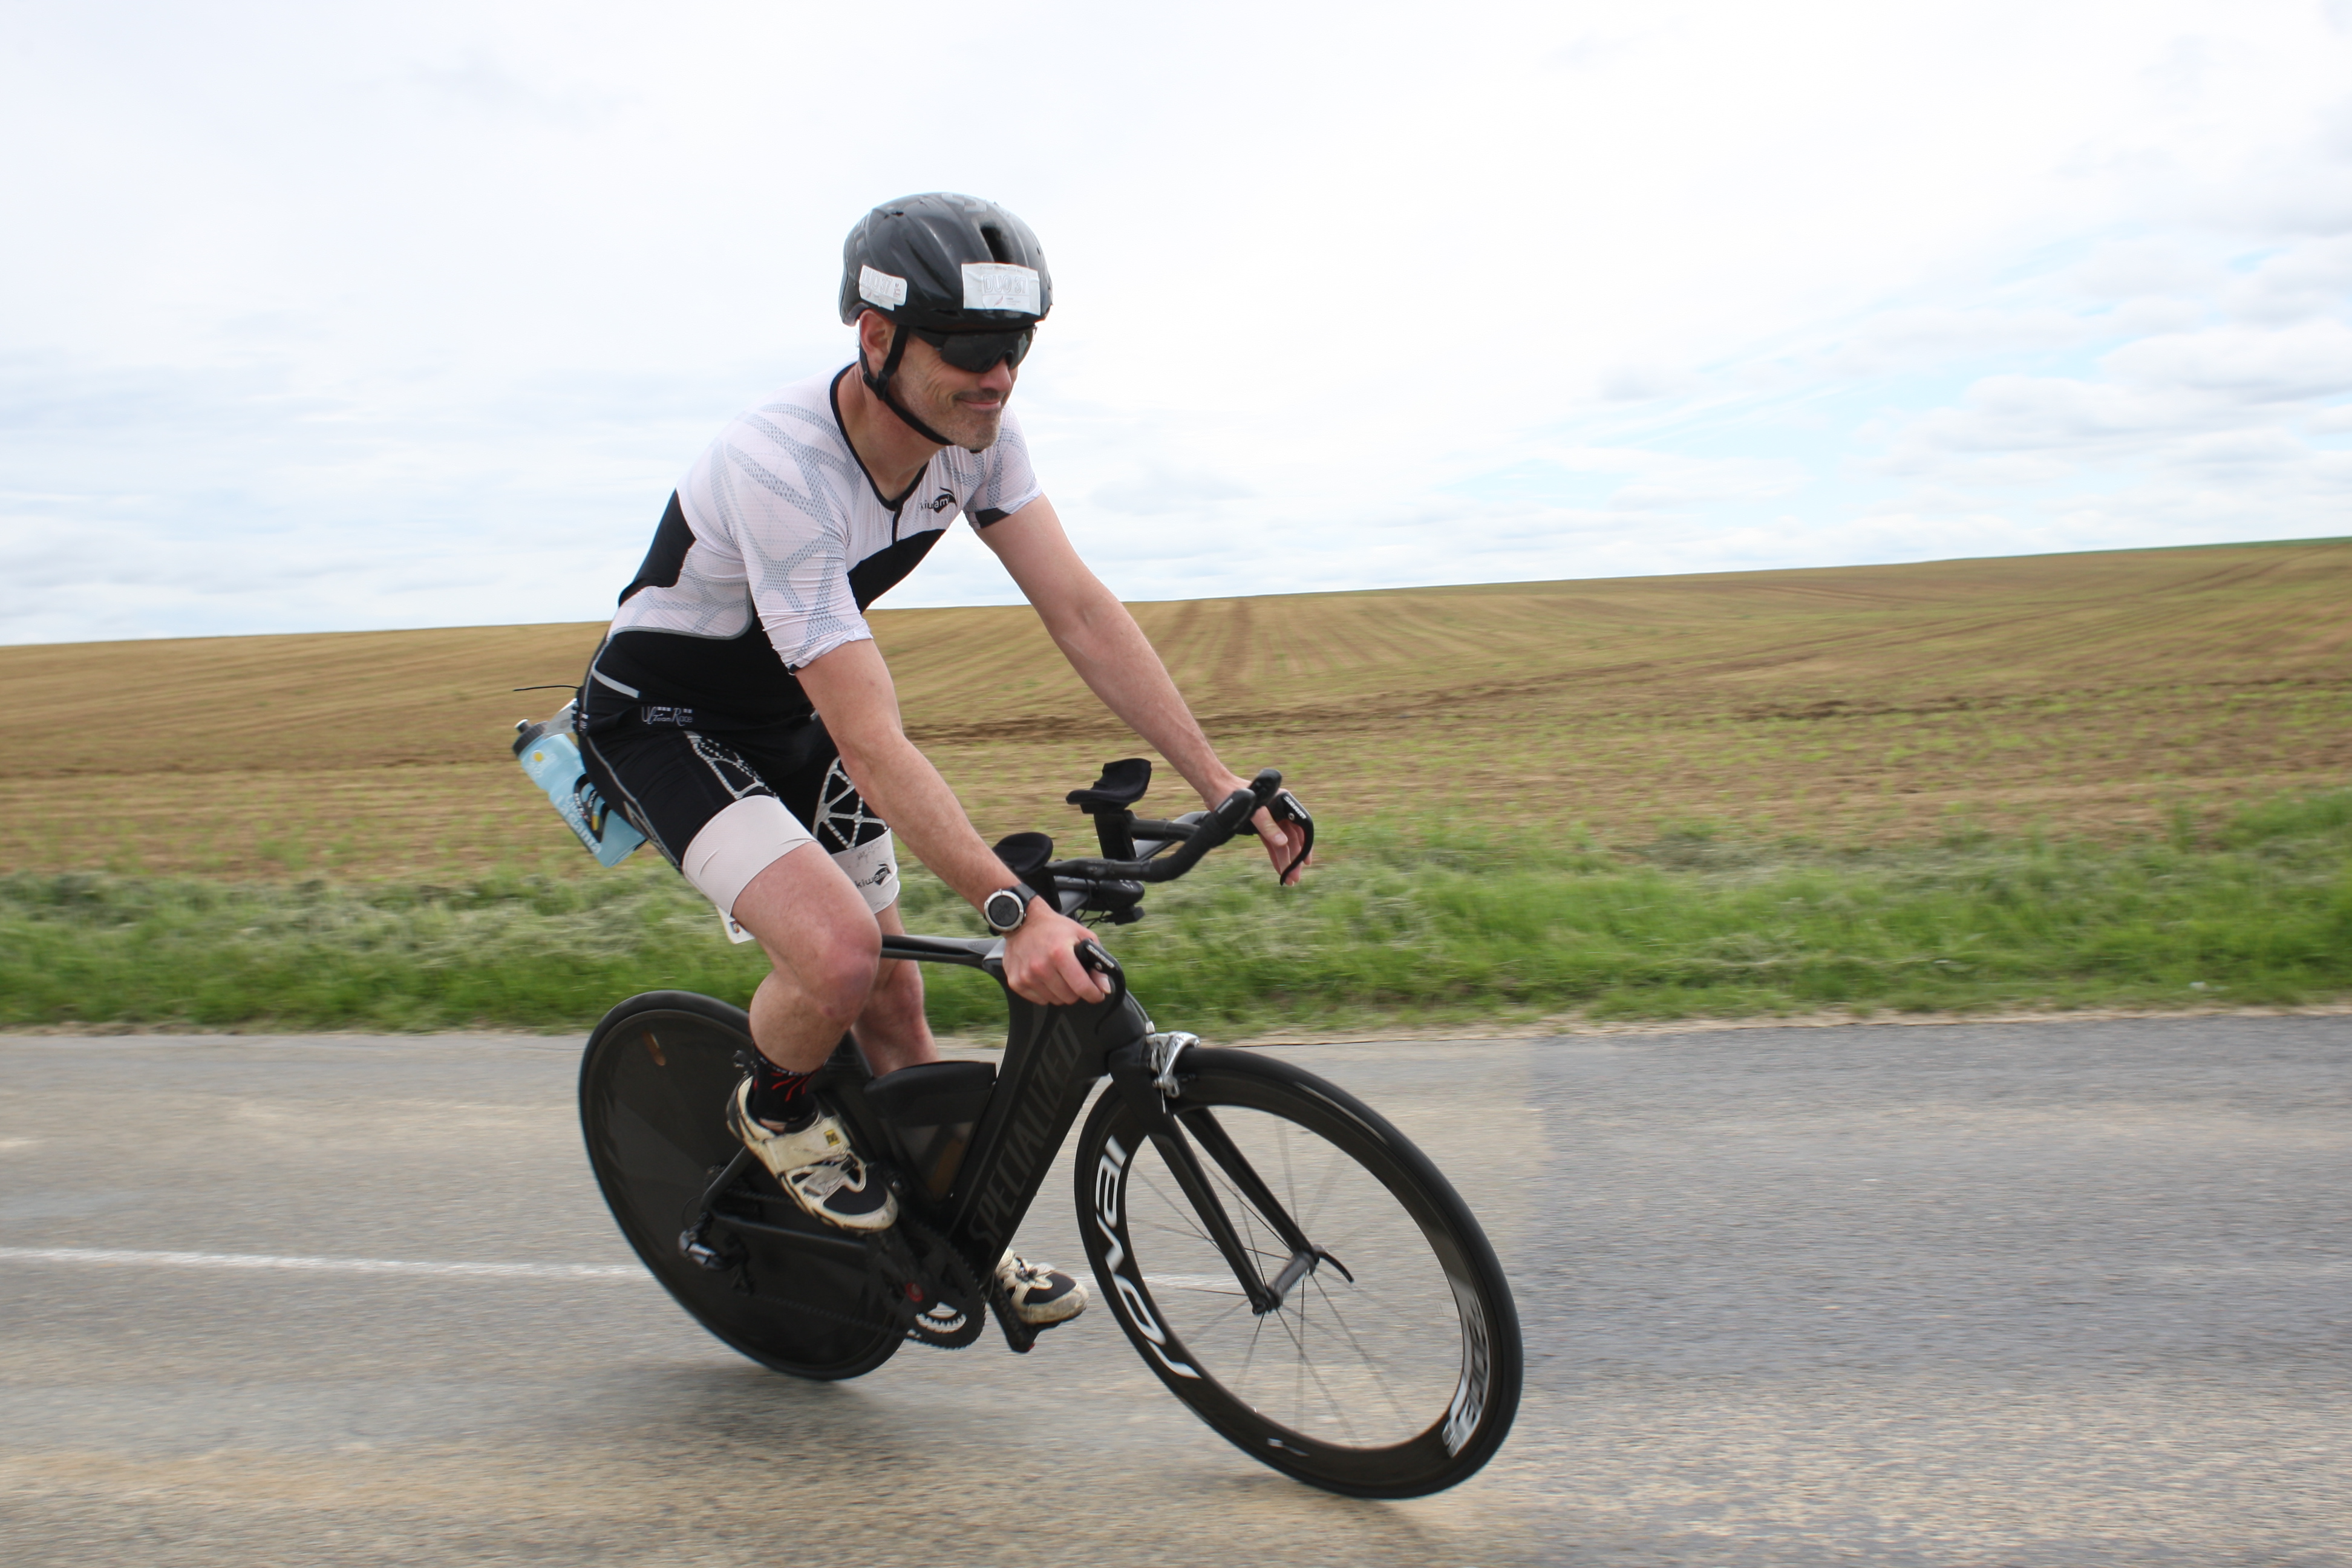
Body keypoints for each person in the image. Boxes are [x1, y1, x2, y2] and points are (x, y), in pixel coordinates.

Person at [575, 193, 1308, 1330]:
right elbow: (872, 740)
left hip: (787, 716)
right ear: (877, 339)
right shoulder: (781, 467)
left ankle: (945, 1244)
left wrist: (1219, 783)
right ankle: (773, 1109)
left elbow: (1079, 611)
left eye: (1015, 349)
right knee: (839, 955)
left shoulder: (977, 440)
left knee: (898, 1002)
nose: (998, 378)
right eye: (969, 351)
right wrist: (1013, 911)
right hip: (667, 723)